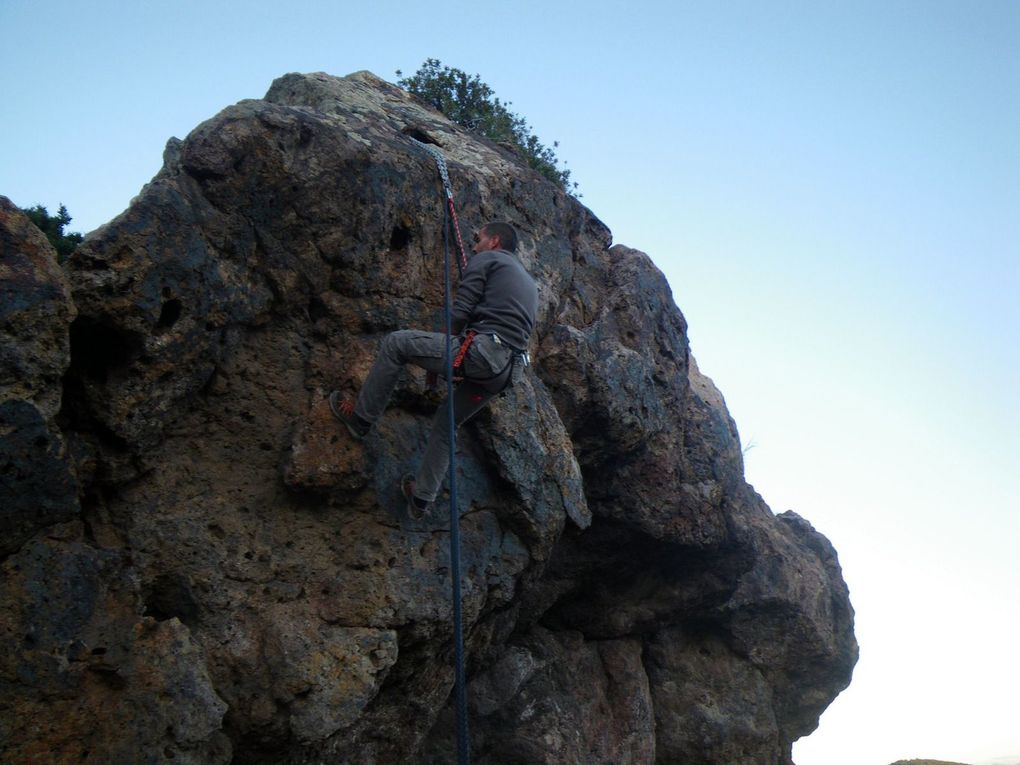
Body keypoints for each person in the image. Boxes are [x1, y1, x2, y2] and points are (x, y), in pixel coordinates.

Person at [329, 221, 539, 519]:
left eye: (477, 239)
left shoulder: (487, 259)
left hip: (483, 354)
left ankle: (361, 420)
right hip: (505, 373)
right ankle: (421, 498)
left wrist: (445, 353)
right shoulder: (528, 283)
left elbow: (462, 311)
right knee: (447, 420)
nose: (473, 245)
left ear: (494, 242)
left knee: (396, 344)